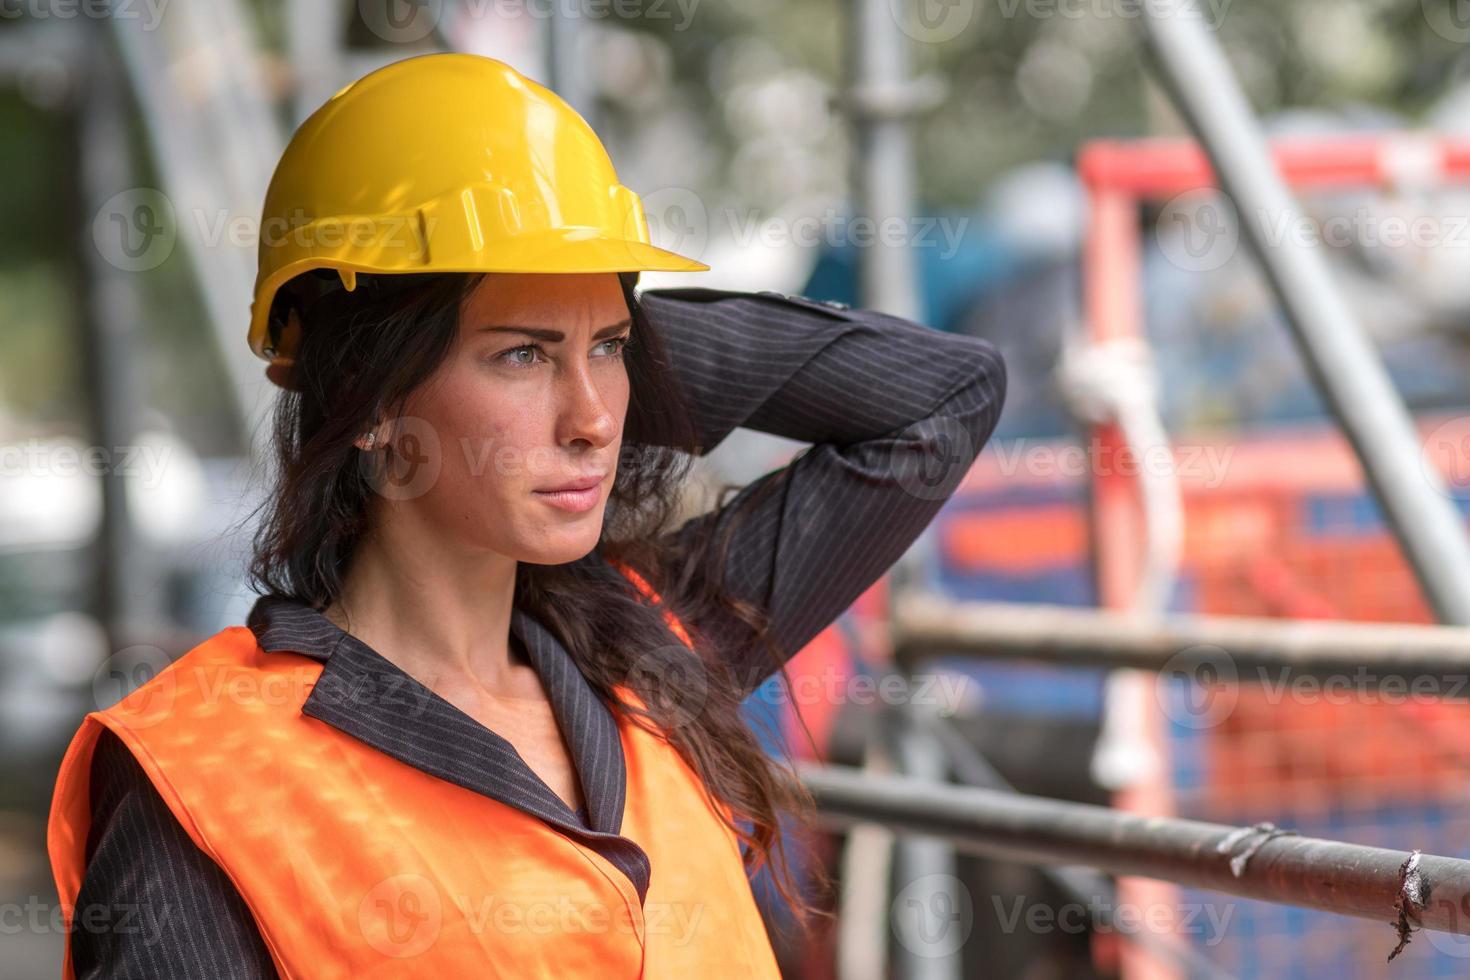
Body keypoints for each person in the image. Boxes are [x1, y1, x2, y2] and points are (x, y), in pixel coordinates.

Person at [47, 52, 1007, 977]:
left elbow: (942, 399)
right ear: (371, 396)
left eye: (612, 352)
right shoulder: (205, 776)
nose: (595, 423)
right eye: (520, 357)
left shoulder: (654, 650)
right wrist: (576, 316)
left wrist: (578, 318)